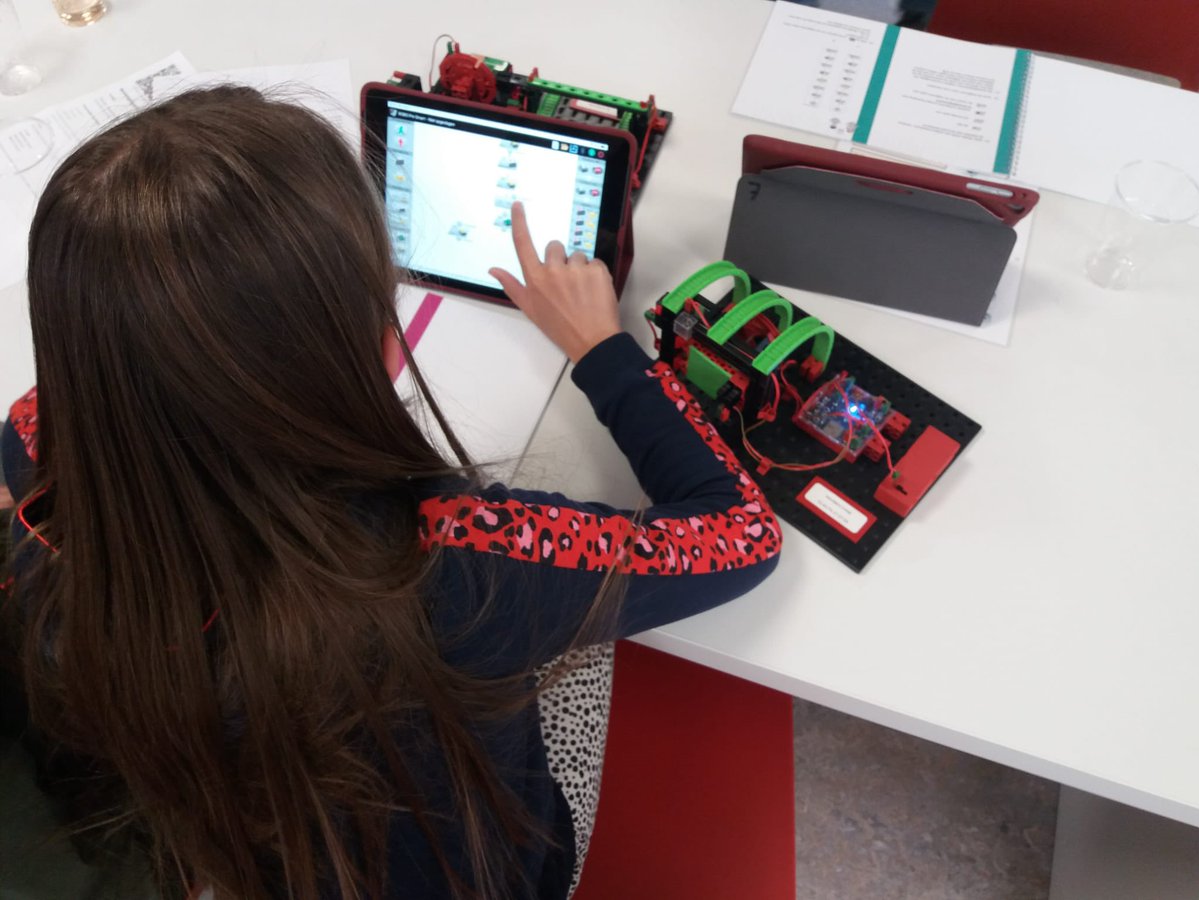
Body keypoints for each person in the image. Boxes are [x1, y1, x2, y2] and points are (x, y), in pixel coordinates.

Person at [0, 86, 782, 900]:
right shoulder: (462, 564)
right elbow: (740, 537)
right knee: (588, 646)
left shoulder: (34, 448)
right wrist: (602, 349)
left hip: (230, 844)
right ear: (384, 347)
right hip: (484, 870)